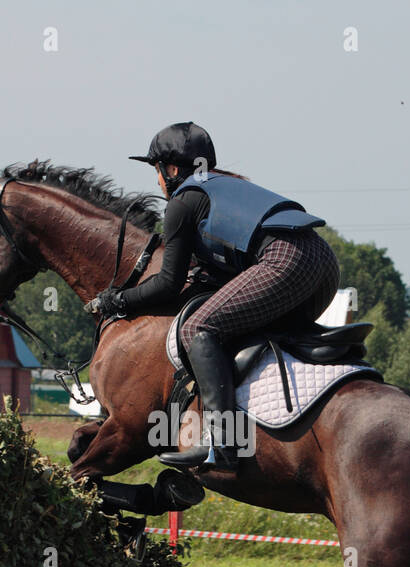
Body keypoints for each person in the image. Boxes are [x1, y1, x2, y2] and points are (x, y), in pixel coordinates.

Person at [87, 122, 339, 471]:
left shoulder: (183, 201)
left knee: (198, 329)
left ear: (171, 169)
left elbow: (167, 285)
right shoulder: (227, 186)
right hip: (323, 264)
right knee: (239, 327)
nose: (157, 181)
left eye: (156, 171)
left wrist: (118, 300)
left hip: (285, 261)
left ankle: (222, 440)